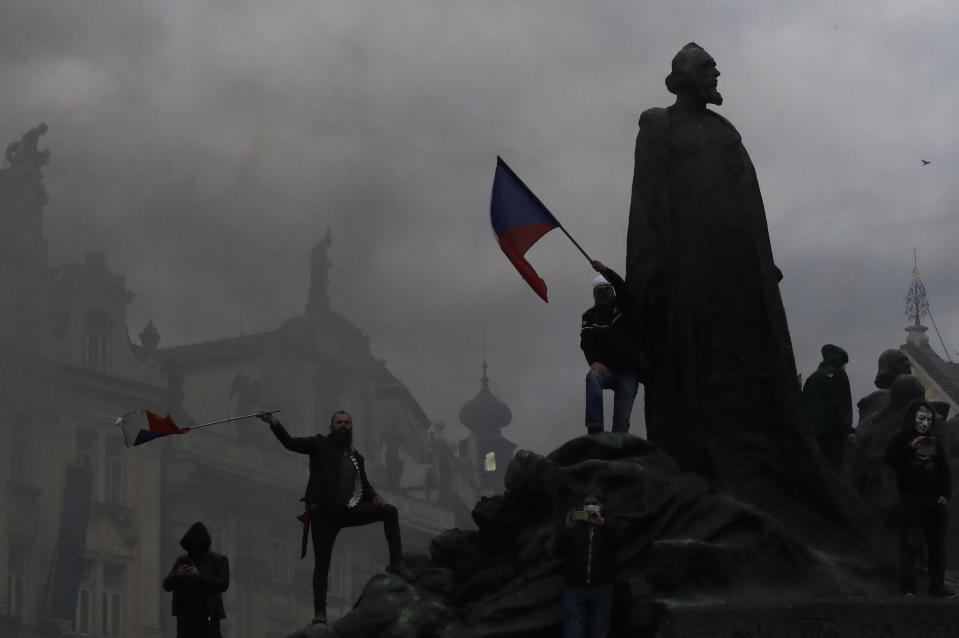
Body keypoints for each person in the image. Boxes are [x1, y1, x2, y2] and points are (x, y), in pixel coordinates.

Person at [257, 410, 416, 625]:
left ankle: (396, 563)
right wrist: (274, 422)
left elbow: (363, 483)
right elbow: (290, 443)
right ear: (332, 427)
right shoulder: (319, 444)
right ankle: (320, 613)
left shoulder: (356, 457)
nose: (343, 425)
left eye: (347, 423)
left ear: (351, 427)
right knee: (322, 564)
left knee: (389, 511)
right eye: (339, 422)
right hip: (323, 513)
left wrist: (375, 495)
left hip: (347, 510)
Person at [885, 400, 953, 597]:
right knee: (910, 544)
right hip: (911, 499)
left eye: (929, 420)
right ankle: (908, 589)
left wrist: (944, 495)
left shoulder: (934, 442)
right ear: (912, 418)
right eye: (921, 418)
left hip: (935, 502)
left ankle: (937, 588)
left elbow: (943, 470)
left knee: (937, 549)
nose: (925, 423)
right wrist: (909, 448)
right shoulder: (900, 439)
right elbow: (890, 460)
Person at [581, 259, 640, 434]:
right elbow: (586, 342)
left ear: (612, 290)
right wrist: (593, 361)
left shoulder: (624, 307)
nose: (603, 293)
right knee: (592, 377)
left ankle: (617, 450)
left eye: (606, 289)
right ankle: (595, 427)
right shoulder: (589, 316)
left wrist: (605, 271)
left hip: (628, 373)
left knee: (621, 425)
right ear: (594, 295)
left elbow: (621, 286)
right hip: (605, 370)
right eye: (598, 291)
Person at [553, 487, 621, 638]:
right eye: (586, 503)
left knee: (599, 633)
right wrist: (567, 530)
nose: (590, 506)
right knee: (573, 633)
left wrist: (602, 526)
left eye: (594, 503)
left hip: (602, 589)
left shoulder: (610, 524)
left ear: (602, 505)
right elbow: (557, 551)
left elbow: (618, 544)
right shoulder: (575, 525)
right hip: (575, 590)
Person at [162, 521, 230, 638]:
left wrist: (198, 576)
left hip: (208, 618)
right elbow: (166, 585)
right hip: (186, 619)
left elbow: (223, 584)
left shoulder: (218, 560)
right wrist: (178, 575)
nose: (191, 553)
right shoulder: (182, 560)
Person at [801, 344, 854, 470]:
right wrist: (848, 430)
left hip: (812, 436)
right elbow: (843, 403)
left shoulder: (812, 378)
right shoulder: (838, 374)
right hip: (833, 435)